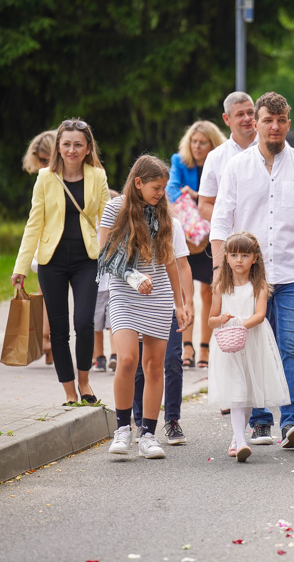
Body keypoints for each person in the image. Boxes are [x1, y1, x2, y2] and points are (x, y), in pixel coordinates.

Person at [211, 92, 294, 449]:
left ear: (288, 123)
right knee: (252, 347)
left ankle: (291, 422)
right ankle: (259, 423)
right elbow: (220, 224)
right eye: (267, 121)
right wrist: (221, 274)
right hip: (247, 277)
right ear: (255, 123)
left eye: (281, 121)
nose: (274, 127)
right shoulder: (236, 167)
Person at [11, 119, 110, 405]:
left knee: (84, 322)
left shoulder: (98, 177)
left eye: (78, 144)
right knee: (58, 329)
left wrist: (109, 255)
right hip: (51, 261)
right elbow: (34, 224)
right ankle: (69, 391)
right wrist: (20, 268)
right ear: (58, 147)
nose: (72, 150)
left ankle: (85, 382)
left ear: (88, 147)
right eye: (66, 144)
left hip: (87, 260)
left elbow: (105, 220)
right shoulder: (45, 177)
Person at [101, 155, 189, 459]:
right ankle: (123, 429)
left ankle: (149, 435)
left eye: (164, 188)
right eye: (156, 187)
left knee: (154, 365)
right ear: (138, 183)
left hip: (159, 293)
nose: (161, 193)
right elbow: (105, 255)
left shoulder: (165, 215)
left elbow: (170, 263)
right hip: (125, 292)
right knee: (127, 360)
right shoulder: (115, 209)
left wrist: (181, 304)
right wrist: (134, 276)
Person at [208, 232, 291, 462]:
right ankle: (241, 441)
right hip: (229, 345)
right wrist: (223, 320)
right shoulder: (220, 287)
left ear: (255, 258)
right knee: (236, 391)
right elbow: (211, 320)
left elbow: (261, 314)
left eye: (245, 255)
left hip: (252, 341)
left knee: (246, 394)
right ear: (226, 257)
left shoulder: (259, 285)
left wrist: (241, 326)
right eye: (234, 255)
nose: (239, 260)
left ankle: (237, 438)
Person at [130, 207, 195, 446]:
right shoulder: (130, 223)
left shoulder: (172, 225)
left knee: (172, 361)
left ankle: (172, 420)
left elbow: (183, 265)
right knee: (140, 365)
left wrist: (188, 302)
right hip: (137, 301)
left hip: (167, 303)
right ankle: (141, 422)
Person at [167, 120, 226, 370]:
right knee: (184, 291)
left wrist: (196, 195)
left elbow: (225, 193)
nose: (198, 146)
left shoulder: (222, 162)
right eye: (194, 142)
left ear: (213, 144)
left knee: (210, 291)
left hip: (212, 235)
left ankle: (205, 347)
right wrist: (185, 195)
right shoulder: (179, 161)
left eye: (203, 142)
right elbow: (170, 189)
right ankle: (187, 346)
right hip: (190, 237)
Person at [21, 130, 57, 365]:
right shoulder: (44, 178)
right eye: (41, 160)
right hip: (47, 240)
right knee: (47, 291)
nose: (44, 165)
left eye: (46, 159)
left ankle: (51, 339)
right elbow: (35, 219)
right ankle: (46, 338)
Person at [197, 93, 257, 222]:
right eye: (240, 114)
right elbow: (204, 206)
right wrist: (234, 225)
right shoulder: (215, 157)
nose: (247, 118)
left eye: (250, 112)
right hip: (232, 239)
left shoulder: (274, 147)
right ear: (226, 119)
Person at [92, 188, 122, 372]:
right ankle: (98, 356)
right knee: (95, 323)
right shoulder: (93, 231)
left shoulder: (120, 232)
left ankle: (114, 355)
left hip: (113, 285)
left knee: (113, 322)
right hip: (95, 285)